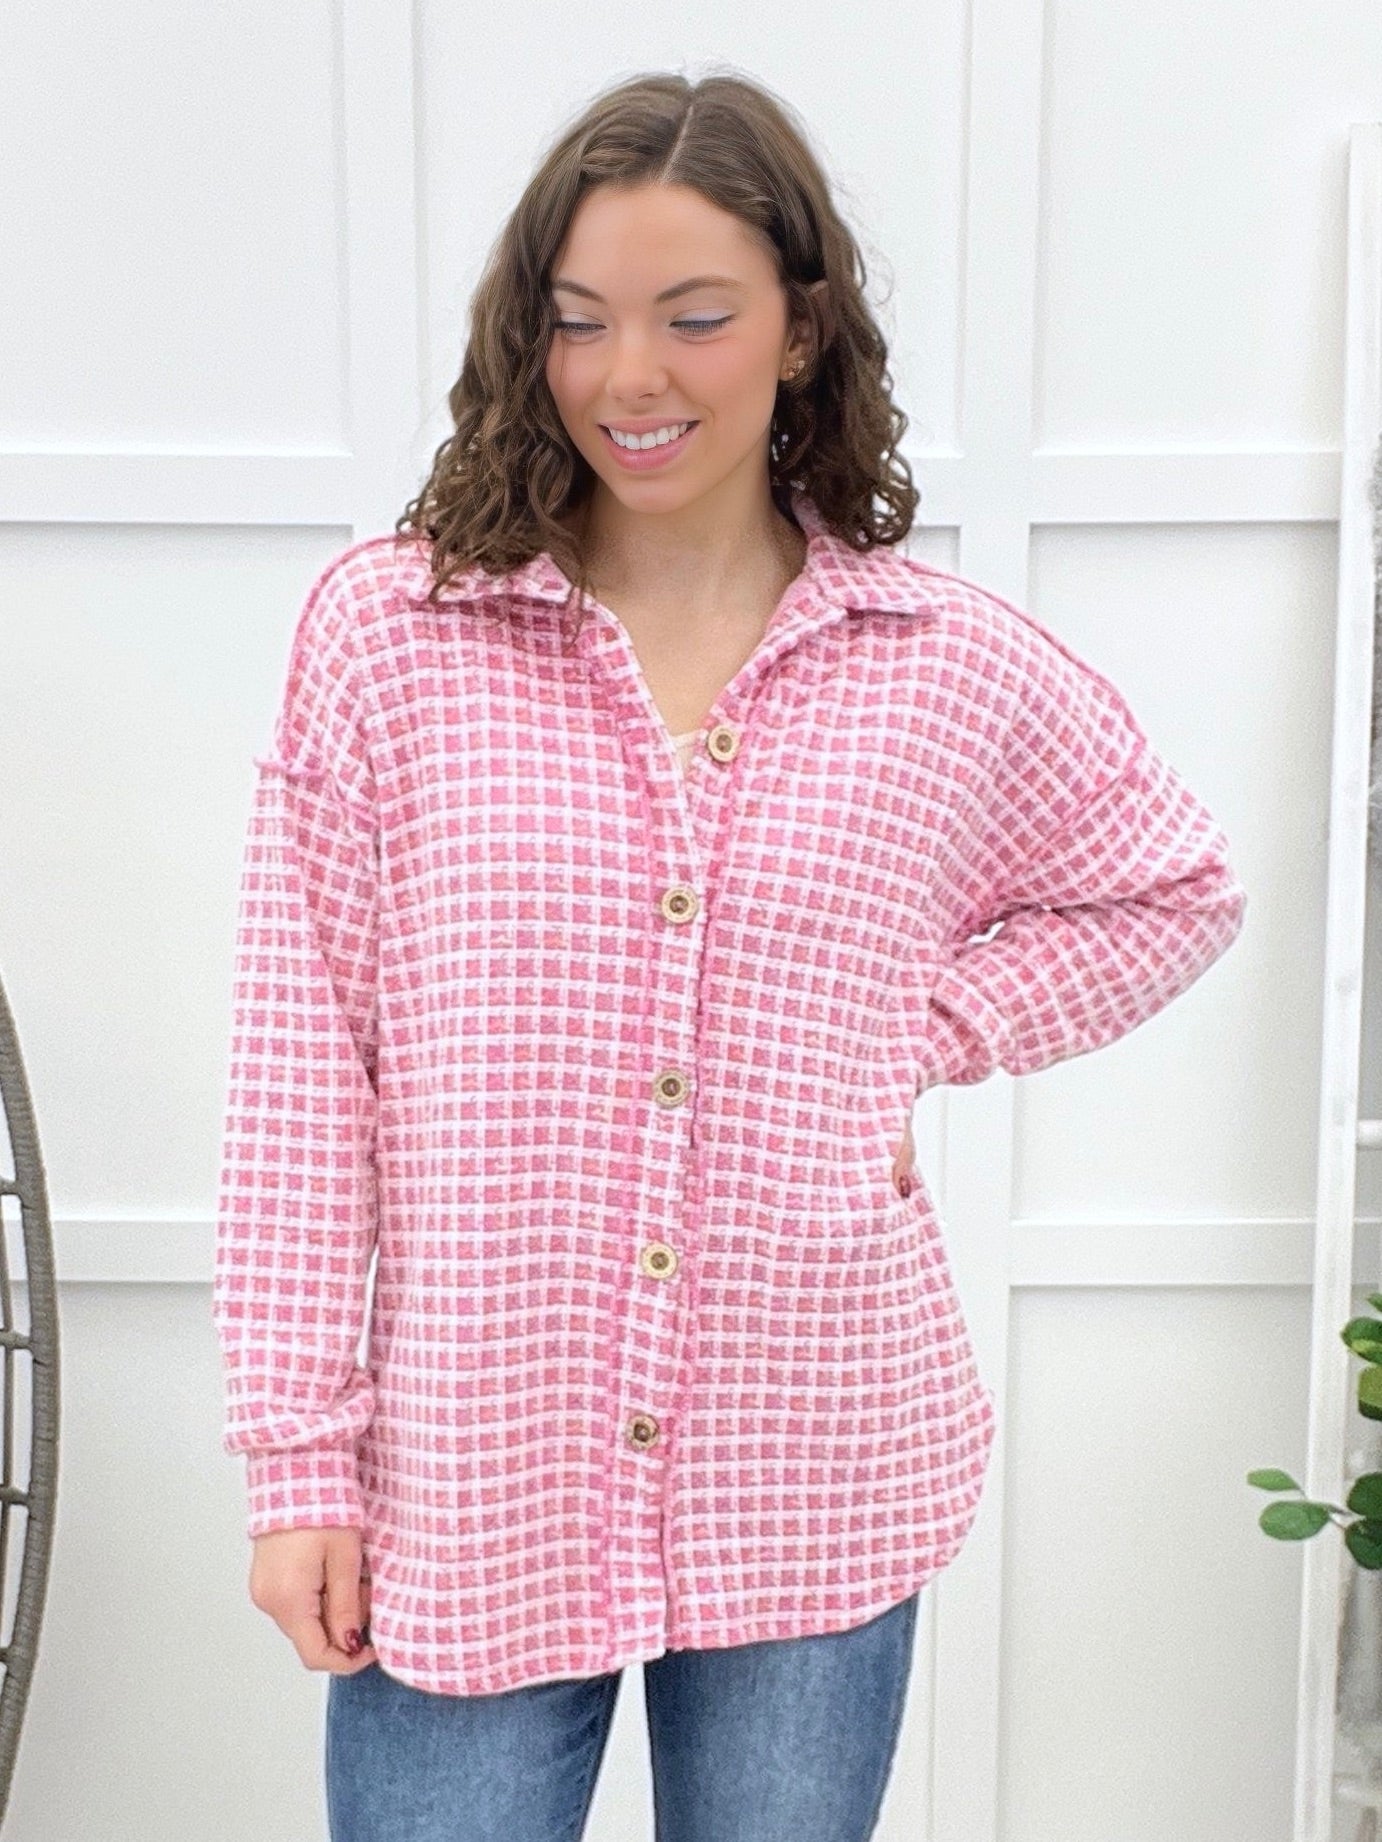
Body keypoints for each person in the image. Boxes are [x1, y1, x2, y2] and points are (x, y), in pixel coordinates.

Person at [211, 67, 1248, 1842]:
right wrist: (300, 1457)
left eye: (695, 318)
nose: (631, 376)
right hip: (474, 1464)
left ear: (799, 331)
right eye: (579, 320)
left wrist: (920, 1024)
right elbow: (304, 1073)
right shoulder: (392, 633)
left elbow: (1174, 885)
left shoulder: (939, 662)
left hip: (814, 1450)